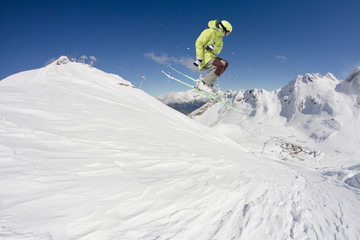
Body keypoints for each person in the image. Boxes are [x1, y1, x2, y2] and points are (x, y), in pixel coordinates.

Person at [193, 20, 233, 91]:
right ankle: (203, 84)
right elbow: (199, 43)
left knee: (225, 64)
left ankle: (209, 82)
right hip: (204, 57)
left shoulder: (220, 39)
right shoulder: (209, 32)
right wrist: (199, 58)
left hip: (211, 56)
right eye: (227, 32)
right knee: (219, 65)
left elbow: (218, 51)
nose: (226, 34)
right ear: (222, 28)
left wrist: (213, 48)